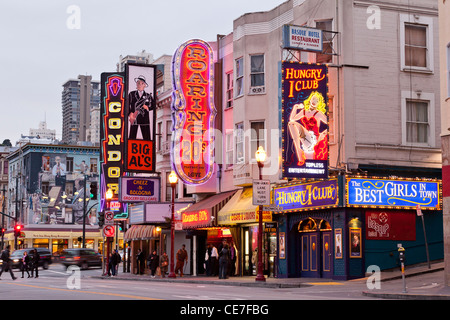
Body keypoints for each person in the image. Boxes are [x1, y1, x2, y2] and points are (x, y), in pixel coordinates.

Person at [288, 91, 328, 166]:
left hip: (314, 139)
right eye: (313, 99)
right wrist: (295, 107)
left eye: (317, 101)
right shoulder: (304, 112)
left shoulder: (318, 113)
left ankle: (300, 153)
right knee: (291, 124)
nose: (314, 102)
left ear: (319, 103)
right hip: (305, 137)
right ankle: (299, 151)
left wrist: (323, 134)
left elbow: (331, 124)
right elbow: (292, 119)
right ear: (310, 99)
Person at [128, 75, 154, 141]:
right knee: (132, 137)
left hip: (144, 118)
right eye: (138, 83)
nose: (139, 84)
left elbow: (153, 105)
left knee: (147, 138)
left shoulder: (148, 96)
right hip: (134, 117)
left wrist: (147, 107)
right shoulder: (132, 94)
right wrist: (130, 113)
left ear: (145, 85)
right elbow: (127, 105)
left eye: (141, 83)